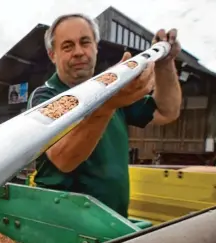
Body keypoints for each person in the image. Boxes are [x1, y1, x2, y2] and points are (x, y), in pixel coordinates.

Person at [27, 13, 182, 218]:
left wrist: (165, 62)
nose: (79, 52)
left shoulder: (113, 89)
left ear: (96, 47)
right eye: (67, 46)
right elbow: (63, 159)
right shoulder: (47, 96)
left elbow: (167, 111)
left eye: (85, 42)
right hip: (60, 225)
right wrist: (108, 104)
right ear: (52, 54)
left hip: (112, 221)